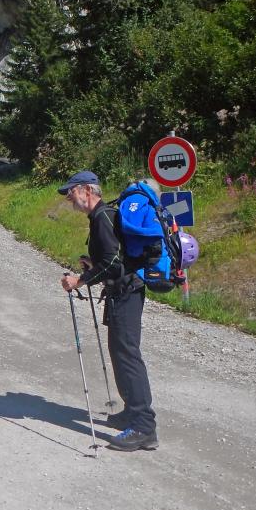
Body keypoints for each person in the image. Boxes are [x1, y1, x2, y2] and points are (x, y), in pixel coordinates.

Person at [58, 170, 158, 452]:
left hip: (126, 293)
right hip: (123, 292)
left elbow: (114, 263)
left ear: (87, 191)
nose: (69, 198)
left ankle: (144, 427)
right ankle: (131, 412)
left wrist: (79, 280)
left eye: (71, 192)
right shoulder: (101, 217)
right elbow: (114, 258)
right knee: (120, 353)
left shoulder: (102, 217)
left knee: (128, 356)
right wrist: (92, 264)